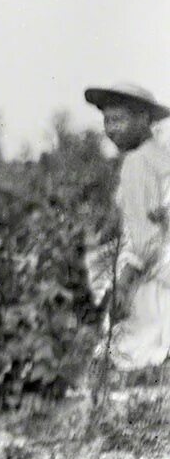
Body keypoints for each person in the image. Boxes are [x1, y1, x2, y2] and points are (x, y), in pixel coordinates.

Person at [86, 83, 170, 374]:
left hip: (153, 281)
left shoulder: (138, 162)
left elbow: (145, 240)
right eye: (107, 121)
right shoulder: (161, 156)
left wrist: (122, 285)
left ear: (144, 119)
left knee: (125, 359)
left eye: (119, 120)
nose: (112, 129)